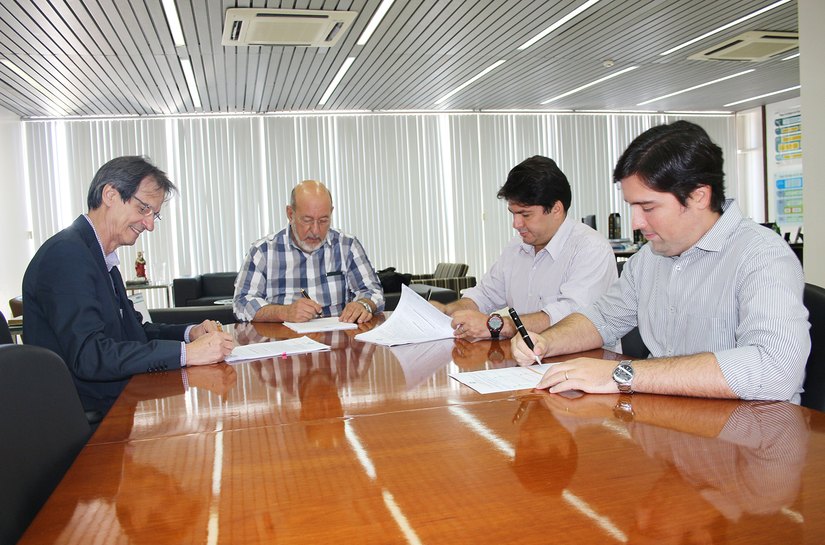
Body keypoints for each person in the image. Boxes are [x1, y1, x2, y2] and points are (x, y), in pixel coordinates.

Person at [511, 121, 810, 402]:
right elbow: (602, 318)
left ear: (698, 196)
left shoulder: (761, 256)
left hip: (745, 440)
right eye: (632, 207)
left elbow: (774, 369)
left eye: (648, 207)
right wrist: (547, 341)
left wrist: (622, 374)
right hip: (666, 425)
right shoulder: (649, 259)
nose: (636, 222)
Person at [23, 156, 235, 417]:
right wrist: (187, 354)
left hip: (117, 404)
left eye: (154, 215)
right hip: (85, 419)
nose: (149, 224)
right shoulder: (66, 255)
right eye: (143, 209)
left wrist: (189, 334)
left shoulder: (100, 256)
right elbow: (90, 355)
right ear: (110, 195)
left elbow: (133, 332)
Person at [431, 155, 616, 339]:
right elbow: (484, 295)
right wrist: (448, 310)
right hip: (528, 360)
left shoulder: (591, 248)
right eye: (513, 214)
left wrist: (503, 325)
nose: (516, 224)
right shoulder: (517, 247)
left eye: (525, 215)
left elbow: (573, 317)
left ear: (556, 209)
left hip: (584, 361)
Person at [234, 180, 384, 323]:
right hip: (284, 341)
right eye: (307, 220)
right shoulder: (263, 251)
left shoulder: (347, 246)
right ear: (290, 214)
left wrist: (364, 304)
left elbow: (373, 291)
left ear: (331, 213)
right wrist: (284, 312)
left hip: (337, 342)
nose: (315, 230)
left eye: (323, 220)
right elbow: (241, 303)